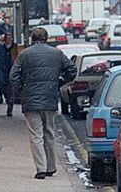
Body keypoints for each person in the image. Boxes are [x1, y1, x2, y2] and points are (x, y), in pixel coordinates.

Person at [10, 27, 77, 179]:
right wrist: (59, 82)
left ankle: (41, 168)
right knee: (49, 132)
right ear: (46, 38)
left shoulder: (24, 54)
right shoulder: (56, 53)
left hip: (31, 100)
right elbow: (72, 70)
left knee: (36, 135)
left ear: (32, 39)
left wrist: (23, 90)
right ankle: (51, 167)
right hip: (50, 97)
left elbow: (13, 76)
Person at [0, 32, 20, 116]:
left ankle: (10, 107)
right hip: (3, 73)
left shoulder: (15, 47)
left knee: (11, 91)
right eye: (7, 37)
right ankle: (8, 101)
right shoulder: (1, 48)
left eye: (10, 37)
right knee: (5, 90)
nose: (8, 39)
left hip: (12, 71)